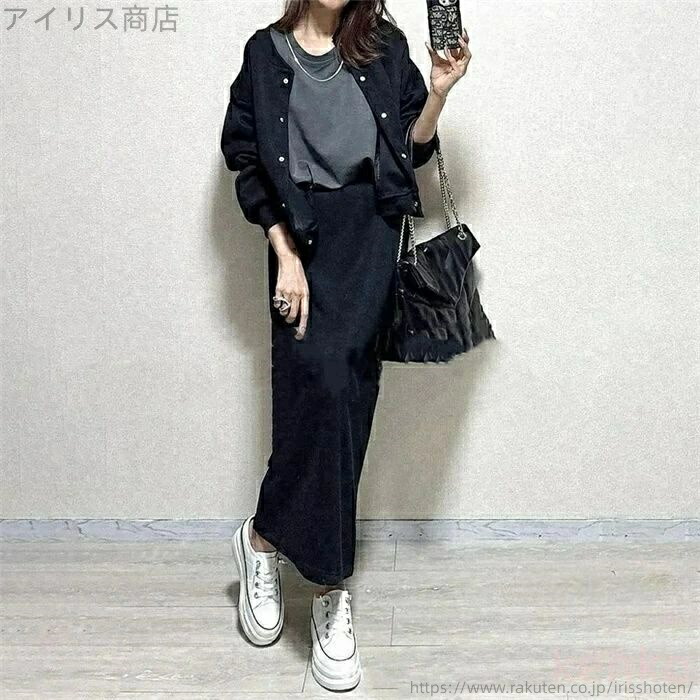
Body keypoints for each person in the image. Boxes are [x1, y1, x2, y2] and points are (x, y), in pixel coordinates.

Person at [221, 0, 470, 691]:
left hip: (370, 238)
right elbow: (248, 163)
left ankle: (283, 551)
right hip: (300, 240)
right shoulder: (264, 54)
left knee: (348, 404)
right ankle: (312, 569)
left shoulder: (382, 47)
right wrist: (284, 256)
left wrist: (439, 92)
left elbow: (411, 149)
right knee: (314, 396)